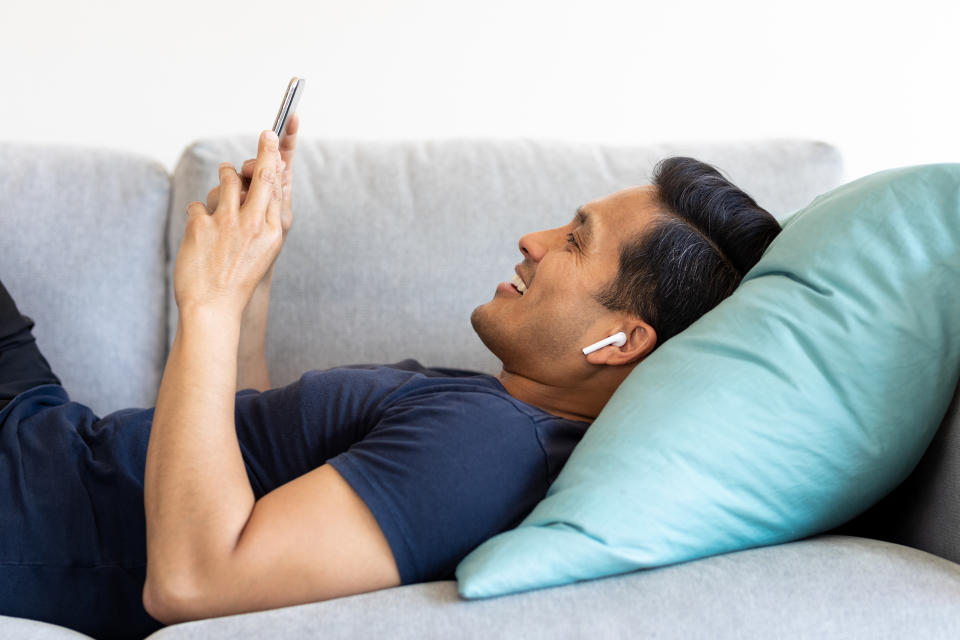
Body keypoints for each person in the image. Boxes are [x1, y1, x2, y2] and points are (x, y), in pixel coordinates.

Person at [0, 114, 782, 639]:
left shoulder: (485, 451)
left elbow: (197, 582)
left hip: (25, 507)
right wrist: (255, 280)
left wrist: (210, 299)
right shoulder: (497, 410)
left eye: (576, 241)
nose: (533, 239)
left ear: (620, 341)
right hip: (45, 436)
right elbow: (244, 451)